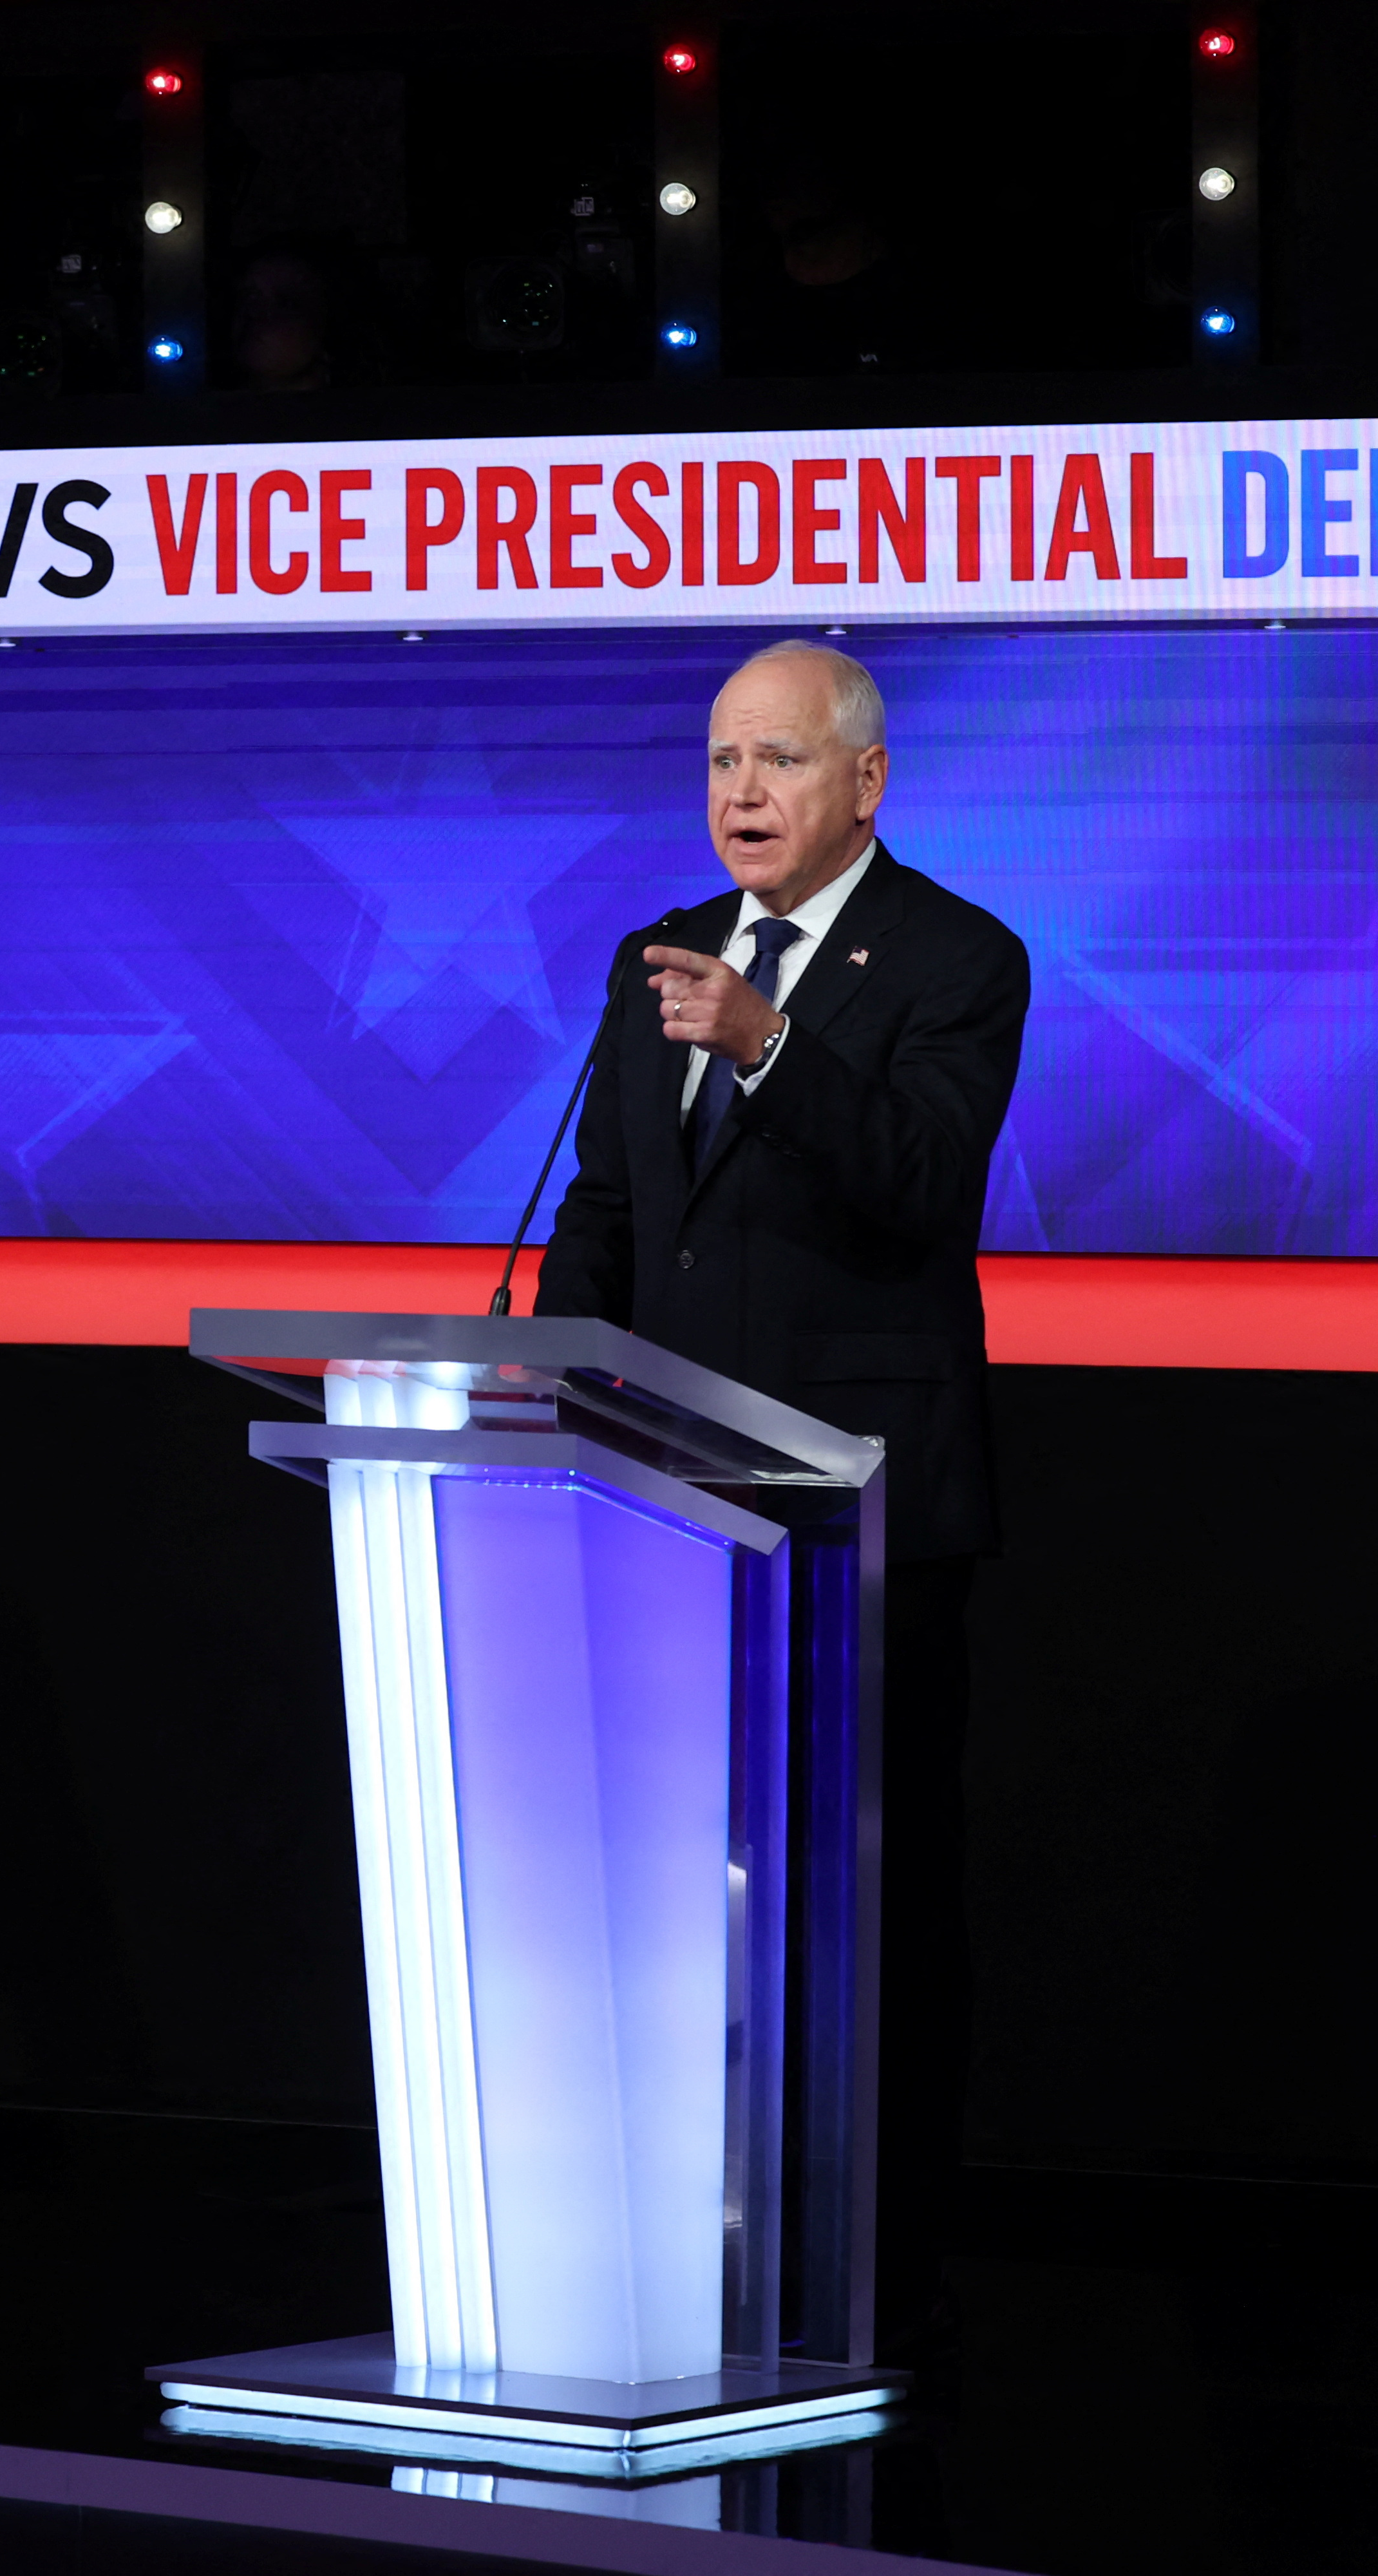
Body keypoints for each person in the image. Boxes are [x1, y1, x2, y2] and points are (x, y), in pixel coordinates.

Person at [534, 638, 1029, 2363]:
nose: (742, 795)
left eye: (781, 763)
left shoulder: (960, 958)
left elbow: (922, 1189)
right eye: (723, 762)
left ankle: (883, 2277)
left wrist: (769, 1045)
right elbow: (611, 1199)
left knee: (871, 1903)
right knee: (691, 1889)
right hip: (667, 1501)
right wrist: (549, 1379)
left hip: (862, 1517)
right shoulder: (653, 957)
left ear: (868, 781)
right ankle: (700, 2245)